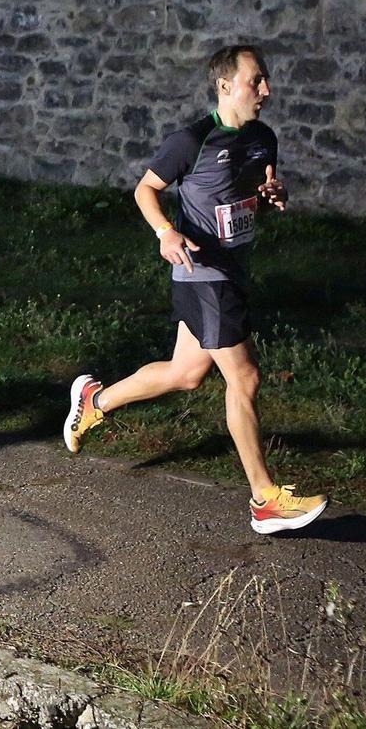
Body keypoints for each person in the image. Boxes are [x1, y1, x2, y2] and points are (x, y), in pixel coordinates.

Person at [64, 45, 327, 534]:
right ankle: (265, 499)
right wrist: (165, 231)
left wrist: (272, 197)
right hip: (201, 272)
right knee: (244, 378)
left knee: (185, 374)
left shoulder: (264, 139)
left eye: (267, 80)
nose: (266, 90)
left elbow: (248, 199)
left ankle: (94, 402)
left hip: (231, 270)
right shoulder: (192, 140)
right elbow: (146, 189)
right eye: (256, 81)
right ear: (225, 86)